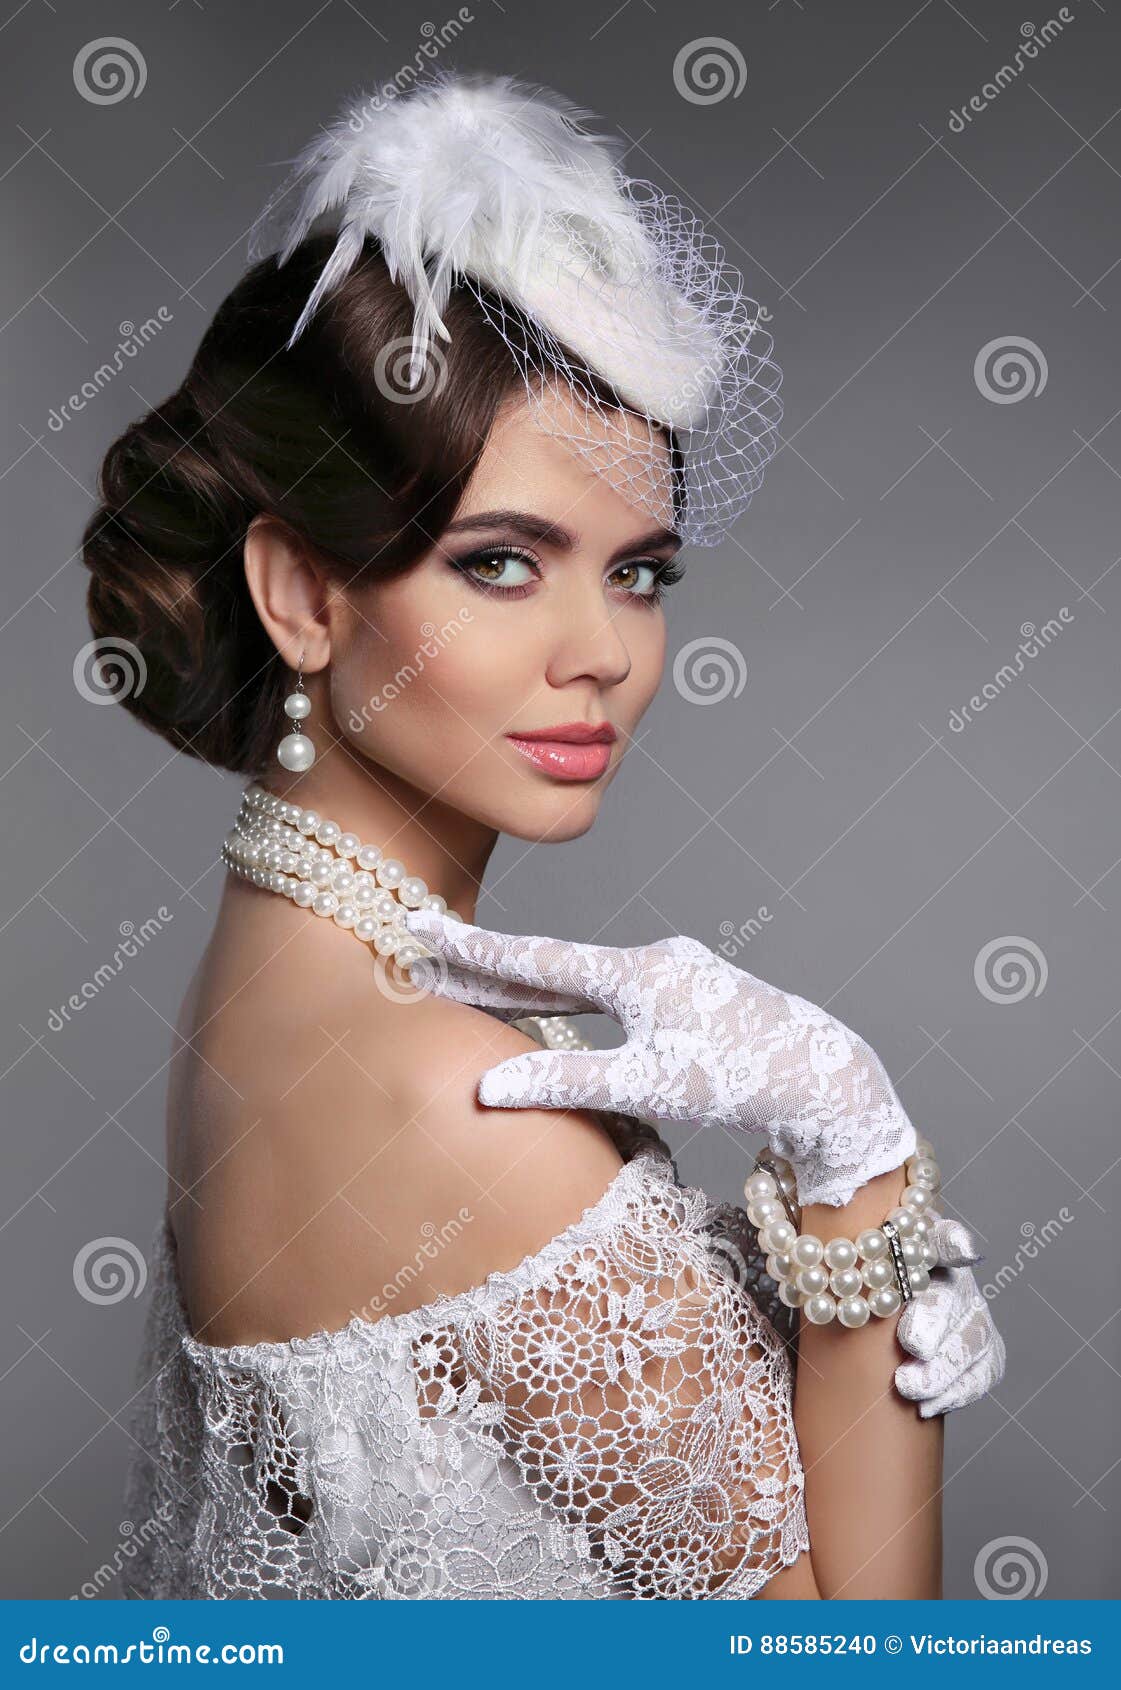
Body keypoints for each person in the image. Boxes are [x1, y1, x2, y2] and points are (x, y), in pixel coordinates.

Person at [83, 69, 1003, 1600]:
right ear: (304, 594)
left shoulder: (276, 986)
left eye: (639, 573)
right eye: (502, 563)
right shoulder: (464, 1101)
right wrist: (860, 1169)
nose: (604, 652)